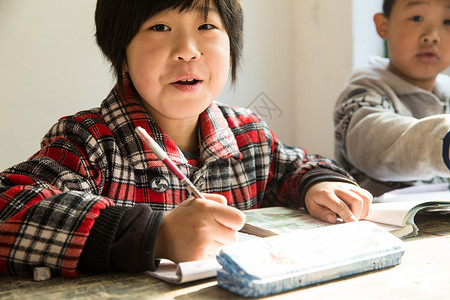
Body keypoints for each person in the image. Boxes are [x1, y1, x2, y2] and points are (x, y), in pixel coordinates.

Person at [0, 0, 371, 277]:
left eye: (207, 27)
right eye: (160, 27)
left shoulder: (247, 133)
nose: (187, 49)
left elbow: (293, 166)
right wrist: (153, 236)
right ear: (122, 53)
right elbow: (7, 207)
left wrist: (317, 184)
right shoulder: (89, 142)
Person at [334, 0, 450, 196]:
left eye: (448, 21)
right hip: (377, 223)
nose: (432, 36)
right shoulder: (364, 92)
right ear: (383, 26)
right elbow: (376, 148)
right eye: (417, 18)